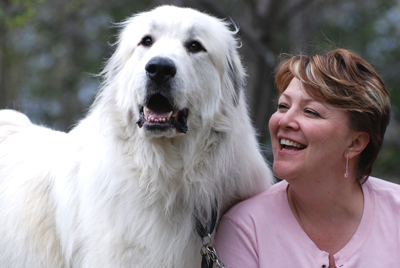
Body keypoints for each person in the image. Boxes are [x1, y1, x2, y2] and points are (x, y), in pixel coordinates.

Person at [214, 48, 398, 268]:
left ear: (355, 143)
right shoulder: (245, 228)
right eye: (283, 106)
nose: (285, 121)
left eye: (310, 111)